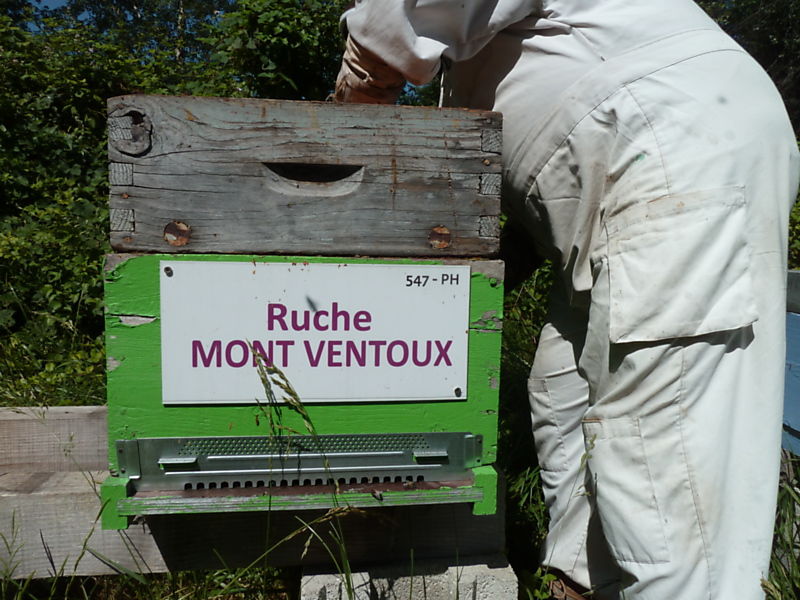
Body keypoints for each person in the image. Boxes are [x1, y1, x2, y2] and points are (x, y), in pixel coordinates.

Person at [333, 1, 800, 599]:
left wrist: (346, 125)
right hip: (623, 176)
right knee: (563, 395)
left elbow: (396, 18)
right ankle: (583, 583)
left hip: (670, 155)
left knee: (669, 476)